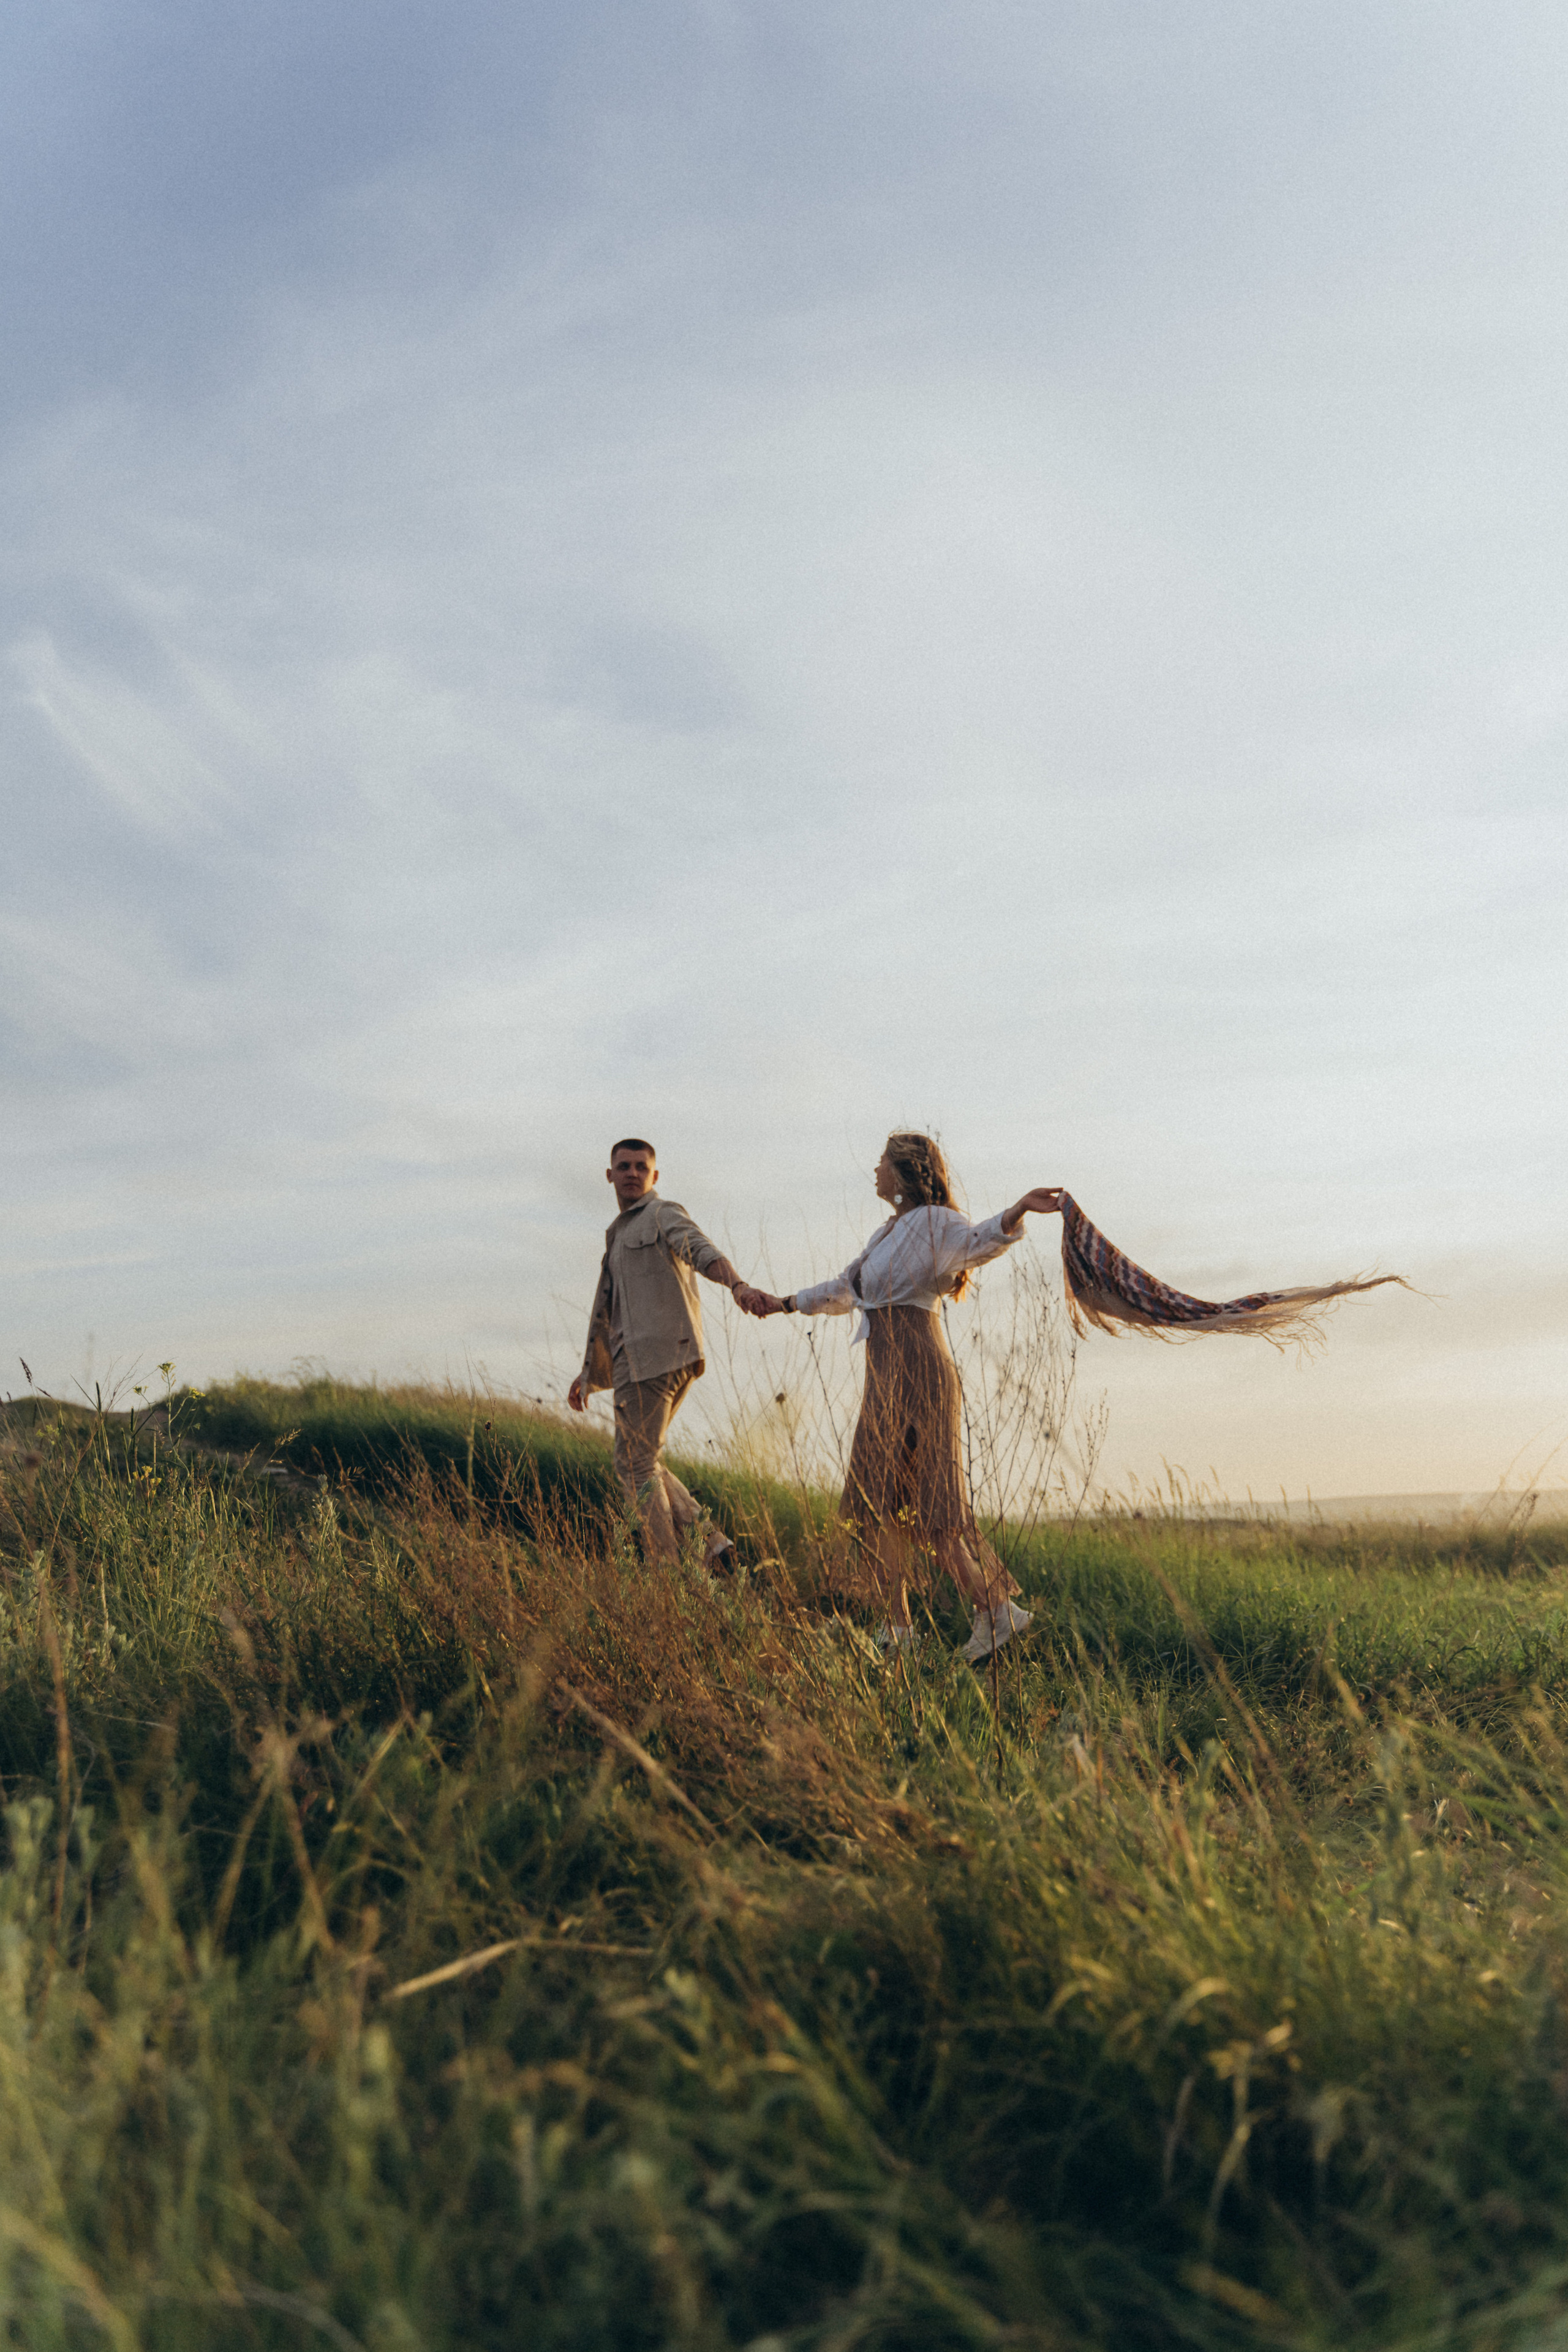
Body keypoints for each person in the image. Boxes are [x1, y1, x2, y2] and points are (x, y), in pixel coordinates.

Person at [751, 1133, 1063, 1662]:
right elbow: (844, 1289)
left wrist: (1016, 1211)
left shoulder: (936, 1221)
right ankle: (901, 1629)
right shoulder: (887, 1232)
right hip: (885, 1375)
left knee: (929, 1509)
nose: (874, 1170)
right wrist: (783, 1303)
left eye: (882, 1162)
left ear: (903, 1171)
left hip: (919, 1369)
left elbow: (978, 1242)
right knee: (880, 1506)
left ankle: (991, 1612)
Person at [567, 1138, 771, 1564]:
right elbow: (611, 1312)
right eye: (624, 1166)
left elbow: (701, 1250)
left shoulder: (662, 1213)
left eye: (641, 1167)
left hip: (659, 1354)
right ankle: (715, 1549)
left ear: (654, 1175)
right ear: (610, 1175)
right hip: (633, 1361)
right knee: (642, 1459)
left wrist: (737, 1285)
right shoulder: (618, 1234)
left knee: (634, 1464)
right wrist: (590, 1373)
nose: (632, 1174)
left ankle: (666, 1570)